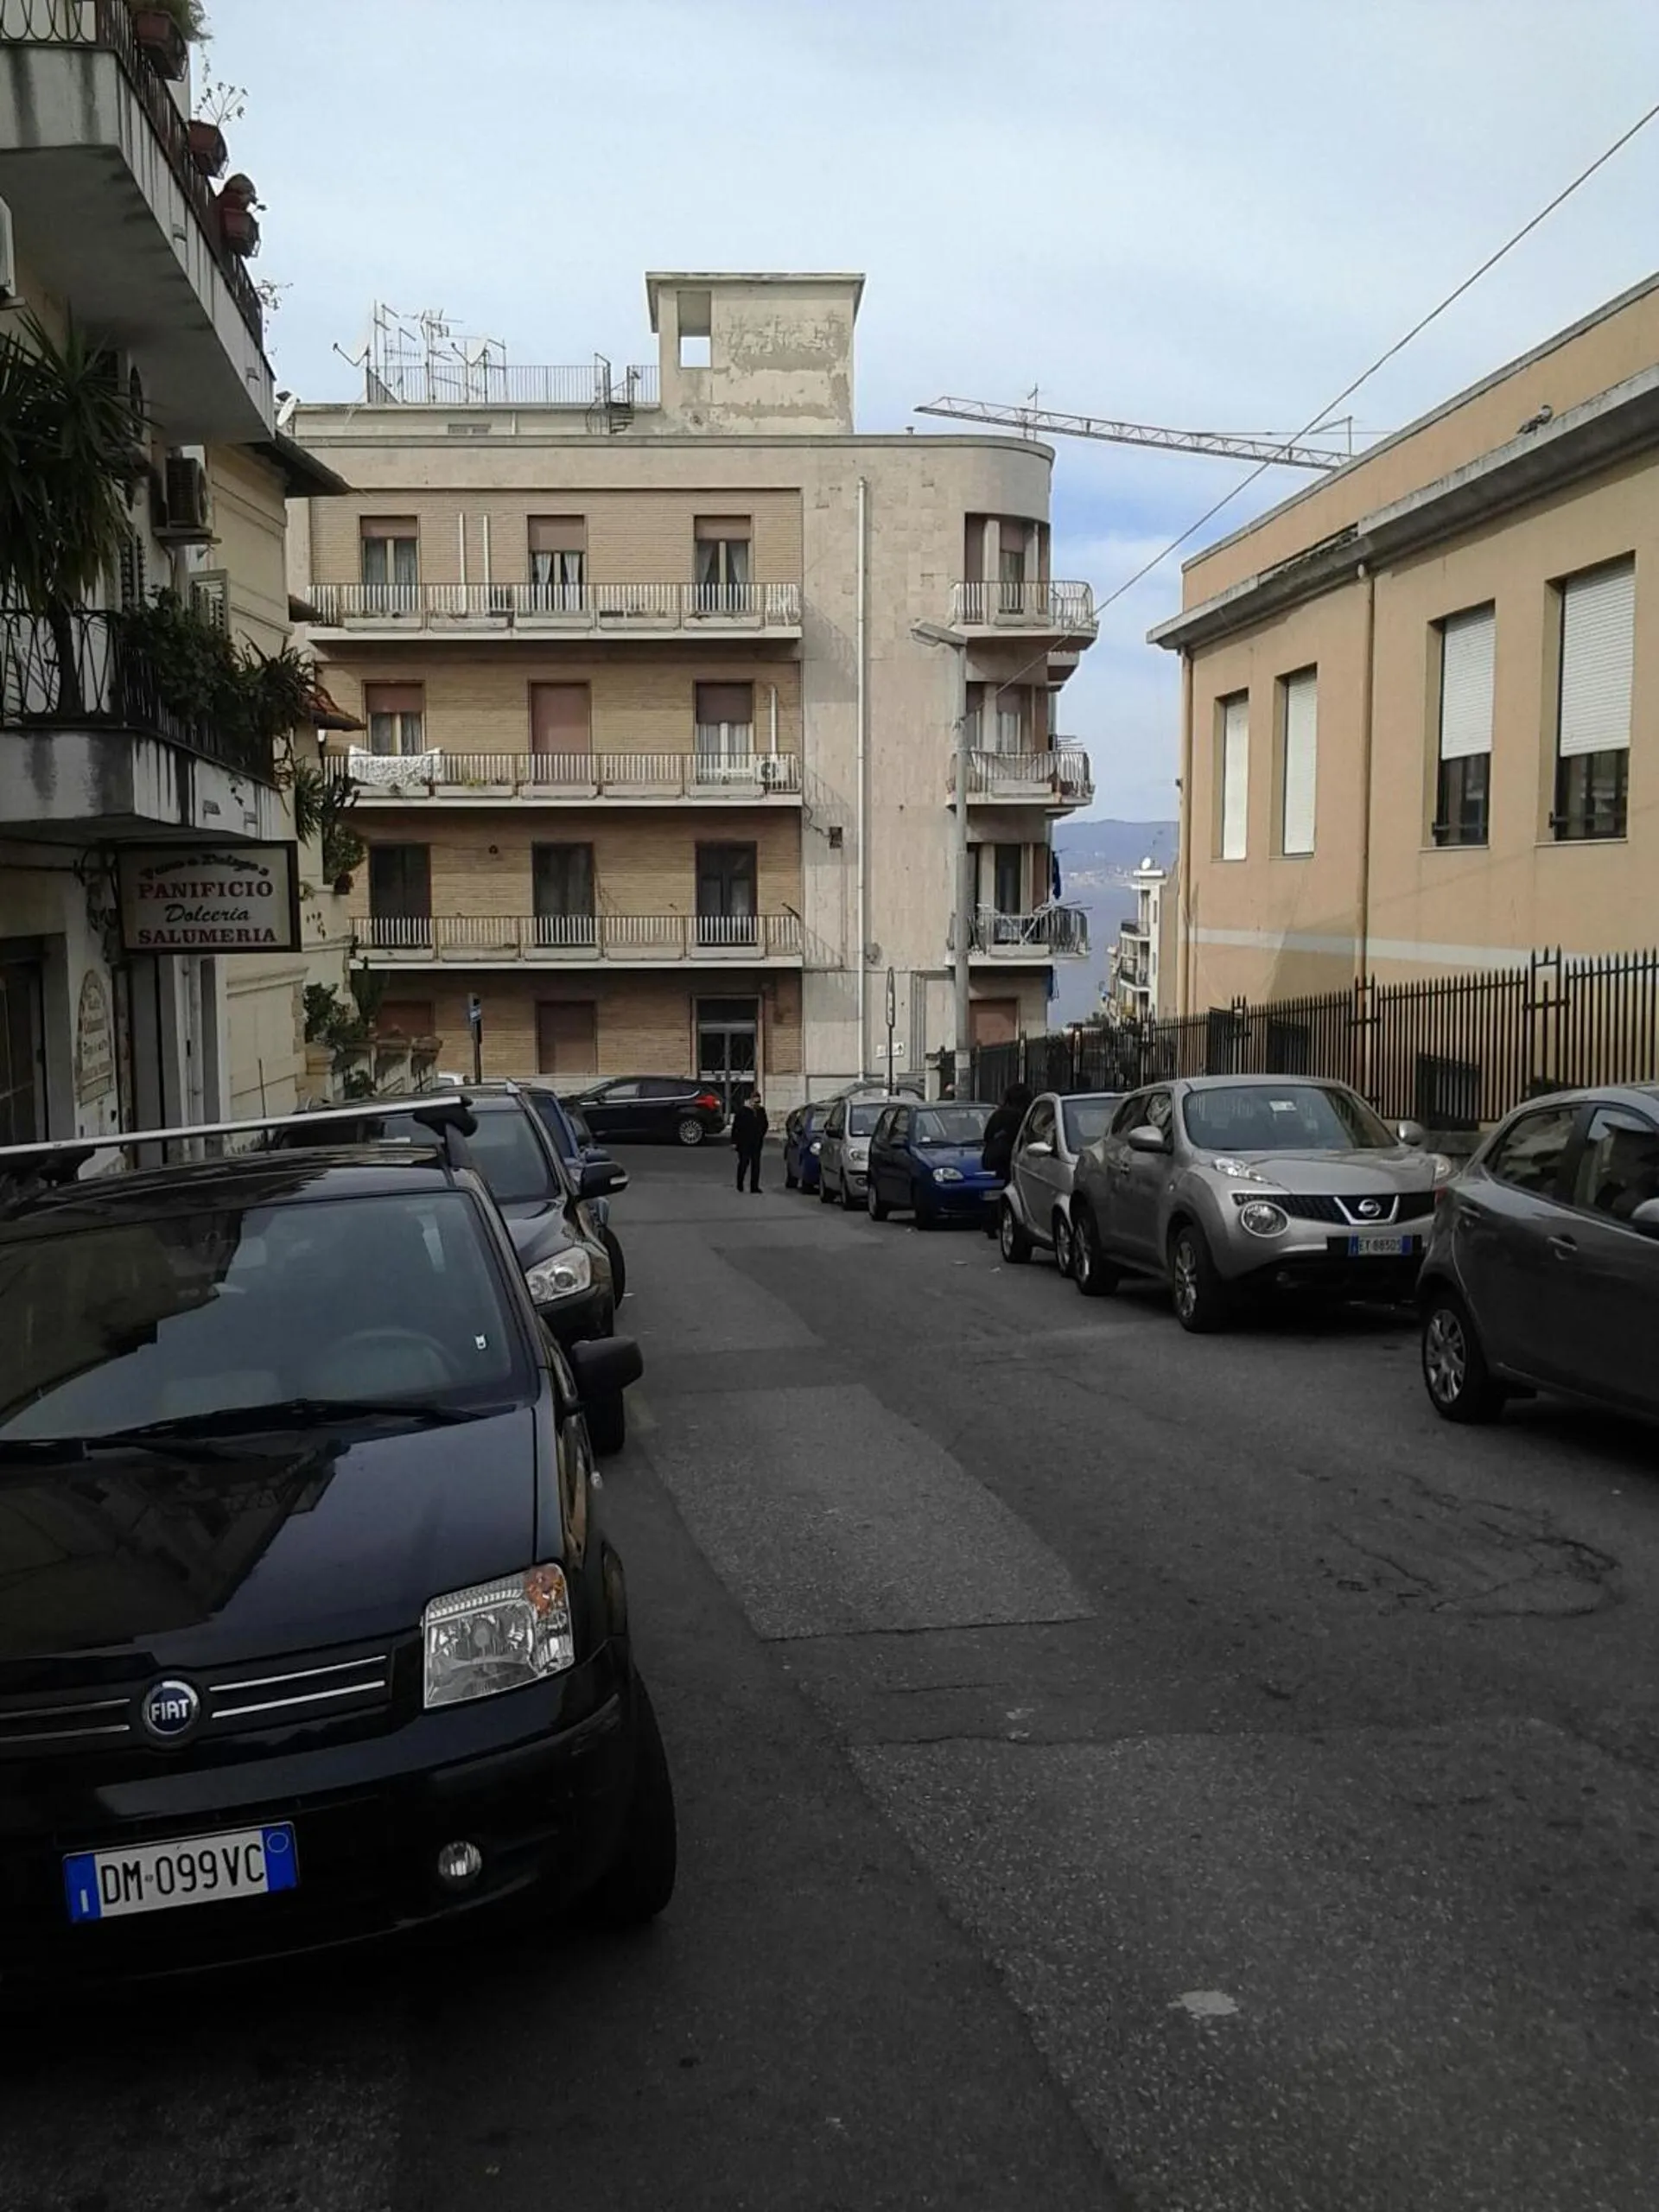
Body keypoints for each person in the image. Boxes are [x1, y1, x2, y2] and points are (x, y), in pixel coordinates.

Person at [979, 1081, 1033, 1235]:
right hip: (1012, 1157)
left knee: (1005, 1189)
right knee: (1012, 1190)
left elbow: (987, 1136)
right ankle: (998, 1221)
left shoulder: (999, 1114)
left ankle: (992, 1221)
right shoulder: (1021, 1116)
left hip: (995, 1158)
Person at [732, 1090, 768, 1193]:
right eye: (755, 1102)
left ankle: (754, 1186)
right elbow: (736, 1128)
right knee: (743, 1163)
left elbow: (765, 1124)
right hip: (744, 1142)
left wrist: (761, 1134)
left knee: (756, 1165)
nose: (757, 1104)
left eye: (759, 1102)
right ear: (750, 1101)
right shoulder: (742, 1112)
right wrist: (734, 1142)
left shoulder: (761, 1111)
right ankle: (740, 1184)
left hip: (757, 1142)